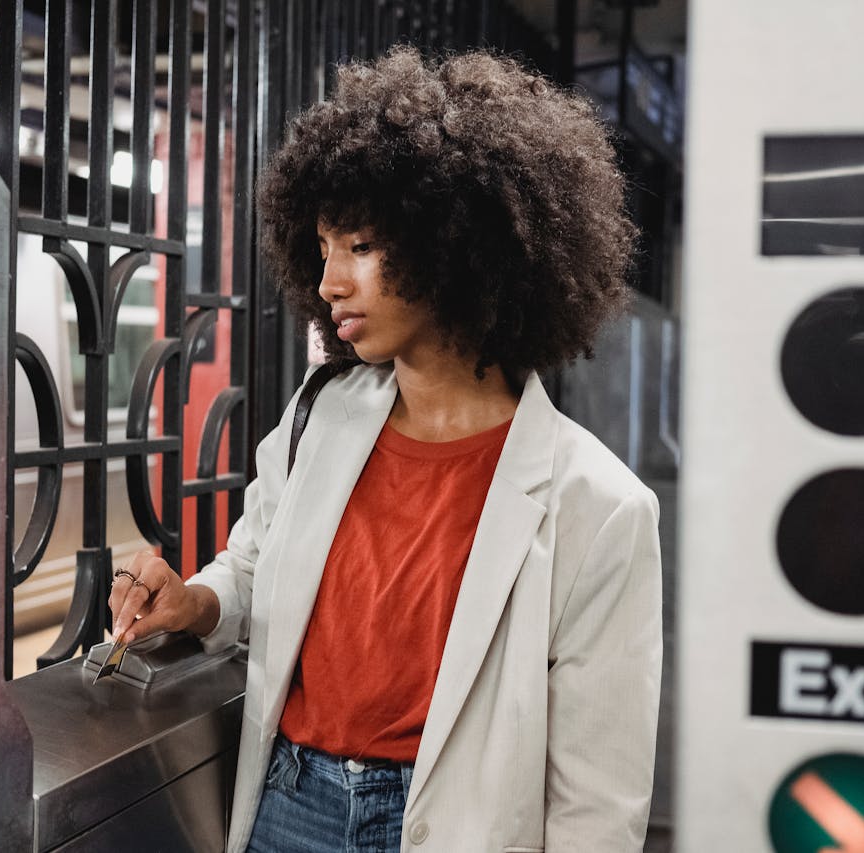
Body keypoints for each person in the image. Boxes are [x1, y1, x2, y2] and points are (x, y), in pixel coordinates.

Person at [109, 46, 661, 852]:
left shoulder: (599, 508)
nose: (331, 281)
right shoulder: (319, 414)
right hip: (288, 805)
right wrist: (194, 600)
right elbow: (257, 566)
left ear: (456, 246)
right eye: (324, 247)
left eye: (361, 246)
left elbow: (598, 804)